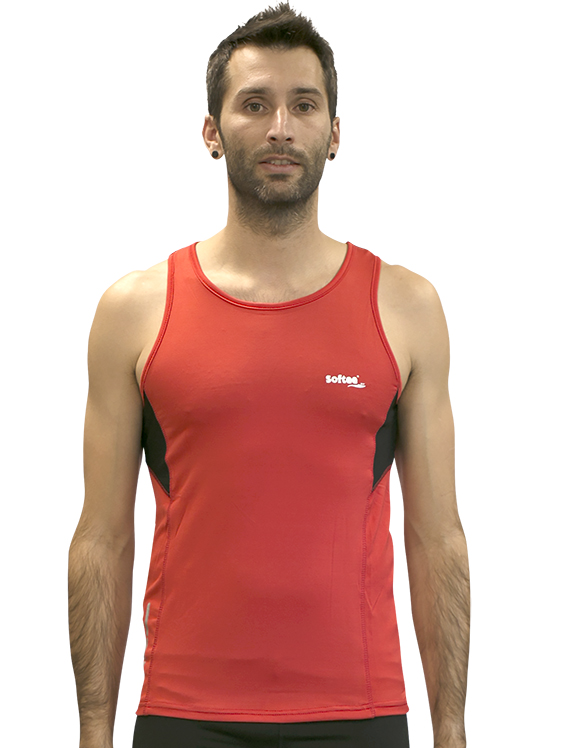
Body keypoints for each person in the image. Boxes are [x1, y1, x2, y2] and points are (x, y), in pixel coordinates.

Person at [68, 4, 470, 747]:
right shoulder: (136, 311)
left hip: (359, 715)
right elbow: (102, 539)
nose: (280, 126)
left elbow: (436, 537)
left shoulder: (405, 307)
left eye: (303, 105)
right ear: (211, 132)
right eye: (254, 104)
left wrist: (452, 731)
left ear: (334, 133)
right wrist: (94, 732)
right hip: (185, 714)